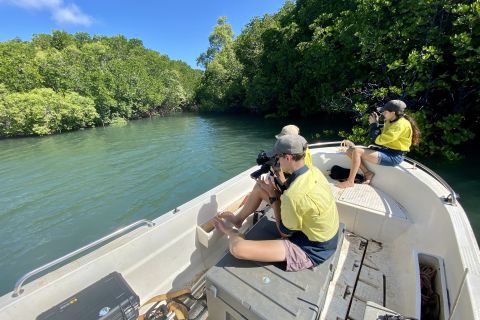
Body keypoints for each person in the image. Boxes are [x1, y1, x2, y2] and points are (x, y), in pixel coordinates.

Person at [213, 134, 340, 271]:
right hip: (322, 232)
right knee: (260, 188)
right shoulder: (313, 171)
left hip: (313, 248)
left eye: (278, 157)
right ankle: (238, 219)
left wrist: (273, 197)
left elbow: (284, 233)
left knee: (238, 249)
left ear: (288, 157)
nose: (277, 161)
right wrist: (273, 187)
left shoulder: (294, 196)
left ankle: (232, 232)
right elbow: (293, 192)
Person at [336, 100, 421, 189]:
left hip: (395, 156)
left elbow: (377, 140)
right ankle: (367, 173)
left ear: (393, 113)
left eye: (385, 112)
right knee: (350, 151)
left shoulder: (400, 125)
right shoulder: (390, 120)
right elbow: (381, 134)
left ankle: (350, 181)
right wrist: (376, 123)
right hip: (388, 150)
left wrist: (373, 124)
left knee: (357, 151)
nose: (383, 113)